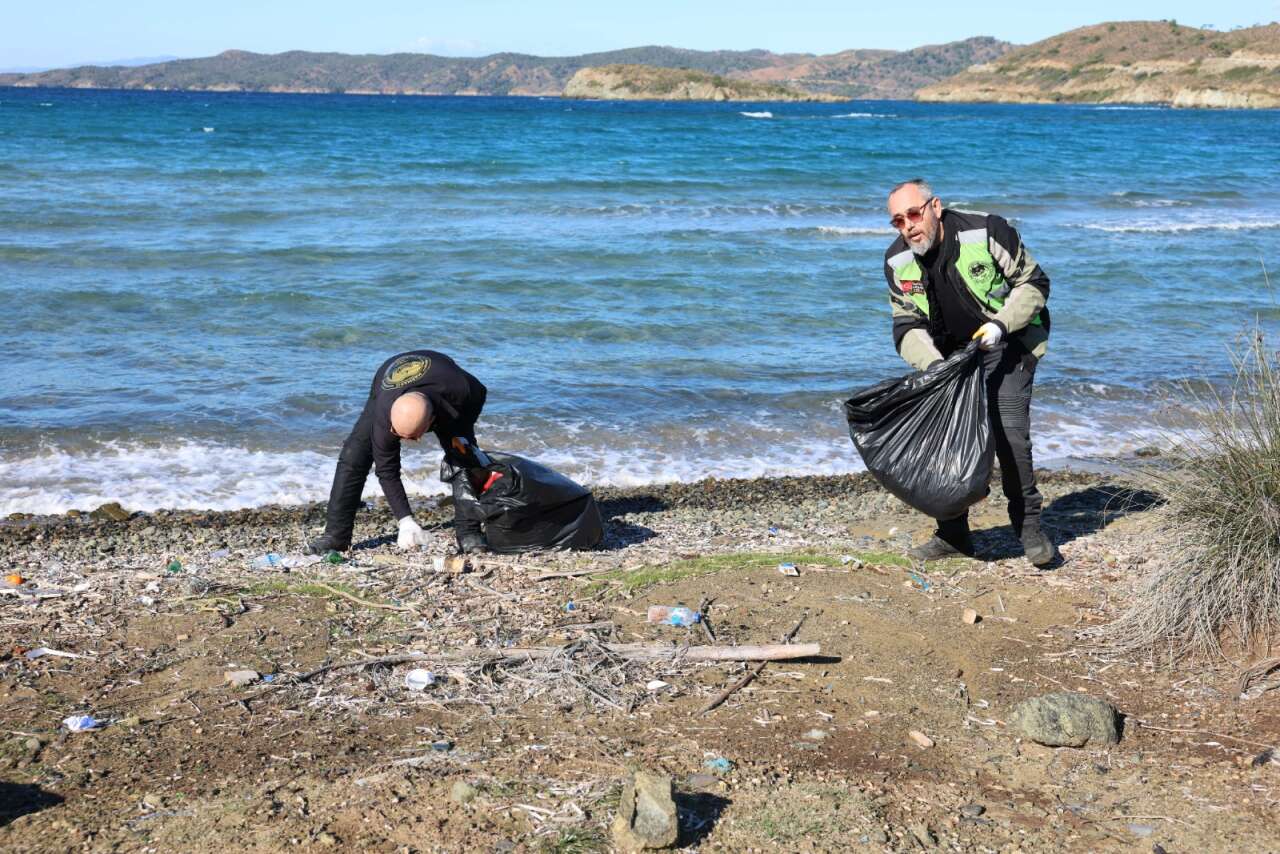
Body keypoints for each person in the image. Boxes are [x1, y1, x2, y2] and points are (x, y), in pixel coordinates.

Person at [882, 179, 1057, 567]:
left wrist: (1000, 325)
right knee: (945, 437)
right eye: (897, 221)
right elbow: (905, 326)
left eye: (913, 214)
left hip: (1010, 339)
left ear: (935, 207)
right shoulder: (897, 262)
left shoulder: (987, 230)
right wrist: (936, 368)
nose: (908, 226)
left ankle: (1029, 529)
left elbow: (1034, 284)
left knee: (1007, 431)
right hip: (949, 358)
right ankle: (954, 535)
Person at [306, 350, 488, 555]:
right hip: (389, 379)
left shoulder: (463, 391)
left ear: (430, 423)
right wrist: (405, 520)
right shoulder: (386, 413)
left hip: (444, 385)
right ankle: (336, 535)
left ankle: (469, 532)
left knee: (463, 460)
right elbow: (386, 469)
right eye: (399, 434)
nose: (405, 441)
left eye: (412, 437)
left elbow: (479, 393)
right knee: (353, 456)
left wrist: (457, 431)